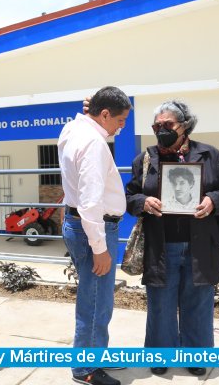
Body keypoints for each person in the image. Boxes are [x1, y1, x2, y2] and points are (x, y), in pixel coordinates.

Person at [125, 100, 219, 377]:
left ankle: (195, 355)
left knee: (198, 302)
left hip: (199, 243)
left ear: (184, 126)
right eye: (156, 126)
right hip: (162, 244)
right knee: (160, 303)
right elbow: (129, 196)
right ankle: (161, 354)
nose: (161, 131)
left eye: (167, 125)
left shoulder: (208, 154)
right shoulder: (145, 159)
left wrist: (212, 200)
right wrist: (143, 201)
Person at [58, 86, 131, 385]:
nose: (121, 126)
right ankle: (85, 368)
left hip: (81, 225)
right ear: (104, 114)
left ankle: (96, 353)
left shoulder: (74, 128)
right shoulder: (92, 143)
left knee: (97, 298)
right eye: (120, 120)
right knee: (96, 301)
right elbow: (90, 203)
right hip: (94, 229)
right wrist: (100, 248)